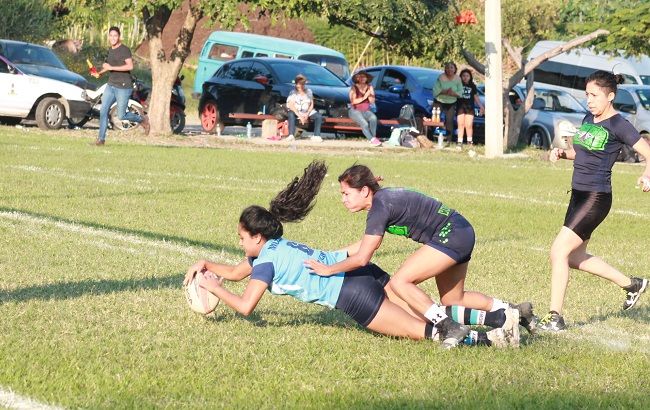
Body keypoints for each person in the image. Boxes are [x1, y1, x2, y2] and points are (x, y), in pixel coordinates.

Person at [184, 161, 518, 349]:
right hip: (367, 274)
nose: (241, 244)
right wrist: (207, 265)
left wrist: (214, 289)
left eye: (242, 238)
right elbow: (236, 270)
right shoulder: (275, 249)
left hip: (353, 294)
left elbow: (245, 306)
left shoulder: (265, 264)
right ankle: (500, 320)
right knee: (431, 307)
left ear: (258, 237)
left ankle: (490, 343)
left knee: (428, 330)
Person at [305, 164, 537, 339]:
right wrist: (331, 255)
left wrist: (329, 270)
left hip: (451, 234)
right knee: (454, 298)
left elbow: (363, 257)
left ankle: (447, 327)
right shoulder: (380, 201)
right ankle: (514, 311)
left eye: (346, 194)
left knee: (400, 282)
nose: (343, 200)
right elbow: (364, 245)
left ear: (364, 190)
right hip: (461, 229)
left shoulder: (380, 206)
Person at [540, 70, 650, 331]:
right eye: (587, 94)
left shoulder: (619, 125)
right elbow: (581, 152)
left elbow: (648, 152)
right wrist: (561, 153)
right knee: (574, 257)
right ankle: (632, 284)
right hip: (578, 194)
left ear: (610, 96)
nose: (589, 100)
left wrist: (647, 174)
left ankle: (555, 317)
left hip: (596, 197)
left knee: (558, 252)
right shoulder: (589, 118)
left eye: (594, 95)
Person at [95, 26, 148, 145]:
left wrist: (111, 68)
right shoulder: (110, 50)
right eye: (111, 35)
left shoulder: (124, 50)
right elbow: (107, 65)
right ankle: (101, 139)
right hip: (111, 85)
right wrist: (99, 73)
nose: (113, 38)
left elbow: (130, 66)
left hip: (123, 86)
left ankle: (142, 119)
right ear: (108, 36)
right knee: (103, 111)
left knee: (121, 115)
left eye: (115, 36)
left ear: (119, 37)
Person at [282, 74, 323, 142]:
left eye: (302, 84)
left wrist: (307, 114)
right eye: (299, 84)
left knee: (318, 116)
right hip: (296, 111)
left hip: (307, 111)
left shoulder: (309, 92)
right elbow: (291, 106)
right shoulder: (293, 93)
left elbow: (311, 104)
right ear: (296, 84)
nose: (300, 86)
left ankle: (317, 135)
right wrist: (300, 116)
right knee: (290, 114)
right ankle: (291, 135)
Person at [348, 71, 381, 147]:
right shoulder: (354, 87)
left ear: (367, 78)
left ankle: (372, 138)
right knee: (365, 124)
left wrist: (371, 96)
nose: (362, 78)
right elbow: (353, 101)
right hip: (355, 110)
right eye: (360, 77)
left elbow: (372, 101)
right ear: (358, 78)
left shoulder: (370, 87)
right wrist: (364, 97)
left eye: (364, 77)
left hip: (366, 110)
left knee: (373, 118)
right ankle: (373, 140)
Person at [432, 62, 462, 141]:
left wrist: (453, 93)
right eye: (447, 67)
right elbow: (435, 90)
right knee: (435, 119)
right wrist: (443, 91)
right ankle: (431, 137)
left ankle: (449, 140)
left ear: (455, 69)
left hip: (451, 102)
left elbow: (460, 92)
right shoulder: (441, 77)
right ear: (445, 69)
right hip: (439, 101)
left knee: (449, 121)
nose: (449, 69)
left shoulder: (458, 79)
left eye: (451, 67)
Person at [456, 69, 483, 146]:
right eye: (463, 76)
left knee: (469, 125)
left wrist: (481, 106)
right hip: (460, 107)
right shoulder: (458, 85)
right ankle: (459, 142)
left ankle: (469, 142)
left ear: (470, 77)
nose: (465, 77)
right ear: (460, 77)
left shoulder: (473, 86)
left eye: (467, 76)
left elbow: (476, 97)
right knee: (460, 124)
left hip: (470, 107)